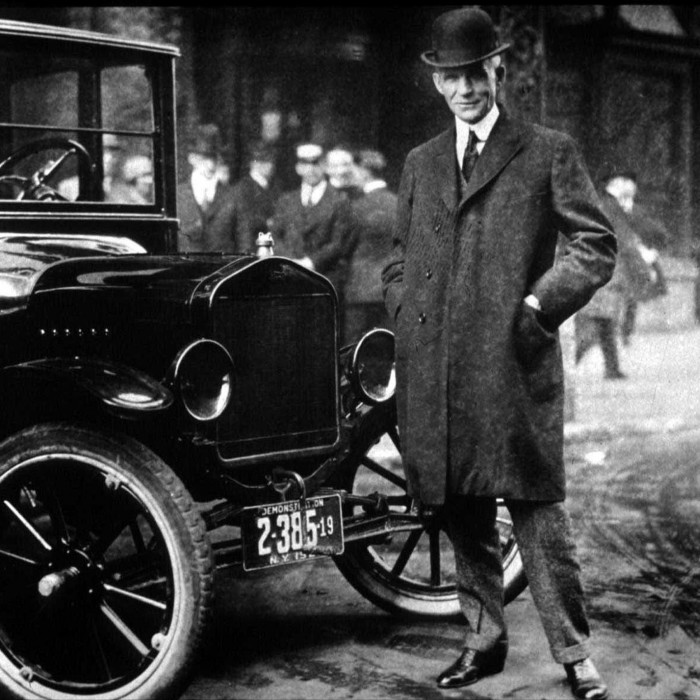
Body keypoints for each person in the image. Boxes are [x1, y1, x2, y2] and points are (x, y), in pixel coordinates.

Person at [381, 8, 616, 699]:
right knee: (461, 512)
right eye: (449, 78)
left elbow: (594, 245)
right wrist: (406, 313)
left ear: (497, 70)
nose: (463, 90)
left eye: (473, 74)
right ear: (437, 83)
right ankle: (482, 641)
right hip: (436, 369)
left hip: (512, 365)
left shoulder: (546, 150)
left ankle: (575, 654)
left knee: (537, 512)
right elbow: (399, 260)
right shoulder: (422, 164)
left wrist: (541, 308)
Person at [575, 177, 652, 378]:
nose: (629, 201)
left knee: (605, 322)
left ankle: (611, 367)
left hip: (598, 269)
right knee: (595, 323)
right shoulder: (612, 209)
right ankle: (568, 362)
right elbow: (625, 243)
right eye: (627, 196)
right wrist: (643, 269)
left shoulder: (603, 205)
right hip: (607, 271)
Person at [271, 143, 354, 321]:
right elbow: (275, 235)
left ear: (324, 166)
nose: (311, 169)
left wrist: (310, 262)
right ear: (298, 168)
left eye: (316, 164)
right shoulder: (286, 200)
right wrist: (290, 262)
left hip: (324, 280)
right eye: (305, 164)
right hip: (289, 280)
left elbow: (338, 243)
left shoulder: (339, 200)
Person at [605, 171, 669, 345]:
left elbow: (654, 229)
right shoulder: (612, 207)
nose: (630, 188)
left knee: (631, 297)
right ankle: (614, 331)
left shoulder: (638, 210)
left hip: (635, 254)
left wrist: (649, 247)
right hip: (620, 255)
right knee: (621, 295)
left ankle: (625, 331)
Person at [343, 148, 395, 343]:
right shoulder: (398, 203)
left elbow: (344, 246)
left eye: (354, 170)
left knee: (354, 350)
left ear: (365, 171)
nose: (351, 174)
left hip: (359, 291)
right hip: (389, 289)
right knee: (383, 349)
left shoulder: (356, 207)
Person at [177, 123, 237, 253]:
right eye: (205, 158)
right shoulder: (177, 195)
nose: (211, 166)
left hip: (224, 270)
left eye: (214, 159)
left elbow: (243, 237)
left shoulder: (232, 195)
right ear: (192, 159)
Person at [230, 141, 277, 253]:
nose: (271, 165)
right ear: (254, 164)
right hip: (252, 248)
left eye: (270, 161)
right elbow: (245, 223)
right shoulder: (243, 188)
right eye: (266, 161)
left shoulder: (272, 187)